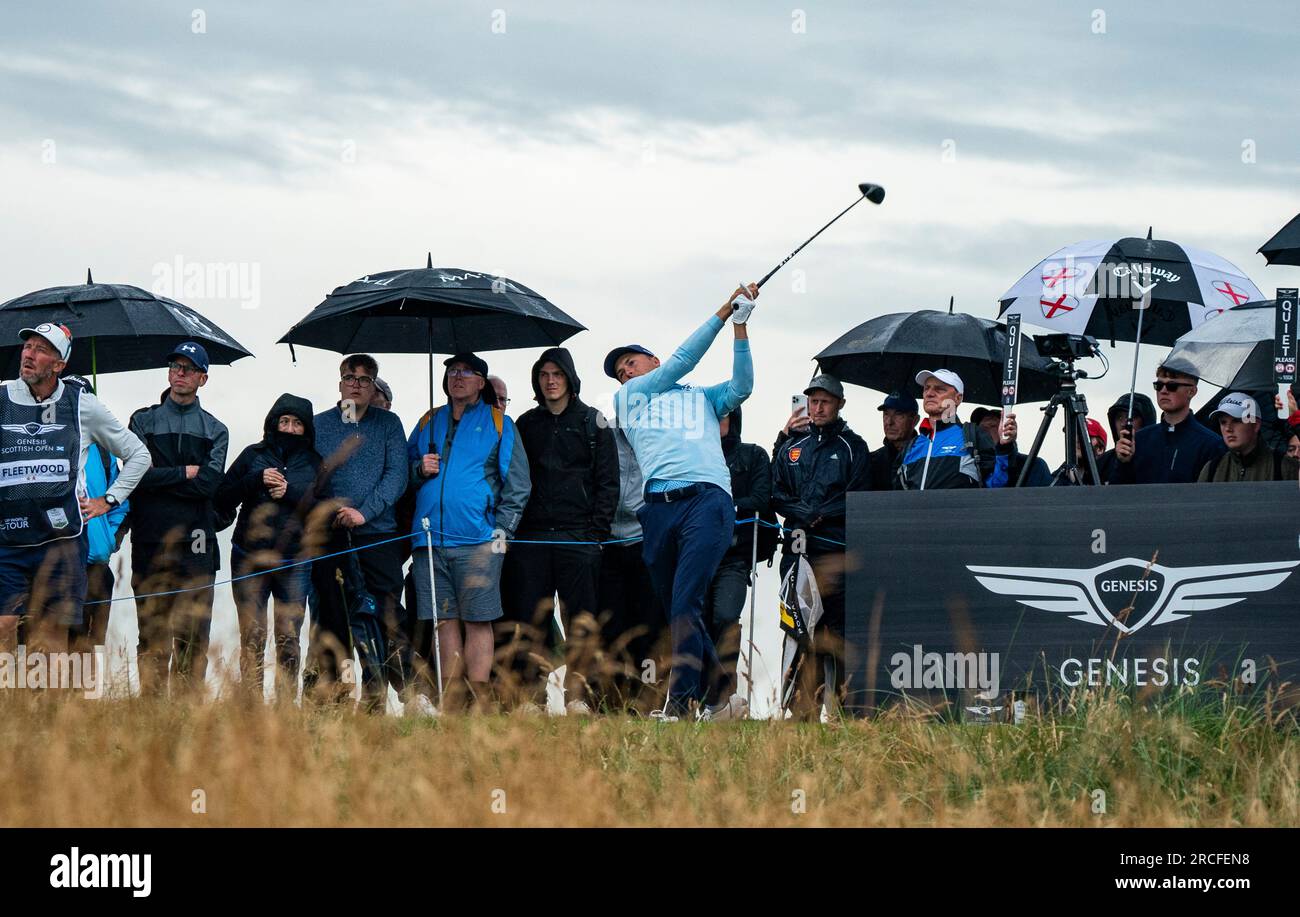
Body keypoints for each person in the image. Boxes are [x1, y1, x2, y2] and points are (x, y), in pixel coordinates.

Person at [606, 282, 757, 721]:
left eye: (631, 364)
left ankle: (680, 703)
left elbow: (743, 386)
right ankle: (722, 699)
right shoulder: (630, 399)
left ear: (651, 362)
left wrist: (740, 327)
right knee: (679, 606)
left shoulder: (703, 398)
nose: (626, 374)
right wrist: (724, 310)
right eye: (620, 372)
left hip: (706, 500)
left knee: (687, 598)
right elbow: (682, 360)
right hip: (657, 508)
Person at [0, 325, 149, 659]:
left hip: (62, 540)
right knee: (5, 626)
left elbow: (139, 455)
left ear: (58, 364)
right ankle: (10, 703)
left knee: (52, 636)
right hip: (9, 539)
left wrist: (108, 501)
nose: (28, 353)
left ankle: (45, 708)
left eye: (40, 349)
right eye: (27, 346)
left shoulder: (83, 404)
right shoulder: (3, 396)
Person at [408, 353, 531, 711]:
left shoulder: (499, 423)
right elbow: (405, 471)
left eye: (466, 372)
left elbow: (518, 484)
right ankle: (452, 702)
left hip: (479, 540)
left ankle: (479, 702)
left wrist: (502, 530)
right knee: (442, 620)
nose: (456, 377)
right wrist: (419, 468)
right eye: (451, 371)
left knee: (479, 620)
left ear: (481, 382)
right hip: (429, 539)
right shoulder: (429, 421)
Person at [501, 347, 618, 713]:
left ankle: (578, 696)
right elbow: (513, 477)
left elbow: (607, 482)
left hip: (578, 538)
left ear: (569, 378)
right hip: (532, 538)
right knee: (530, 620)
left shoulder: (593, 421)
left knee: (580, 620)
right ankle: (531, 697)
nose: (550, 381)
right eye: (544, 374)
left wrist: (595, 534)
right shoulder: (526, 423)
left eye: (557, 374)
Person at [127, 342, 228, 696]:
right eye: (175, 366)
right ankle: (151, 715)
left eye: (189, 368)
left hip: (197, 548)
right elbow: (137, 477)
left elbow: (208, 484)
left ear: (203, 378)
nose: (180, 373)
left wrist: (162, 478)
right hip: (150, 541)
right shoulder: (143, 420)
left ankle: (188, 715)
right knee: (152, 634)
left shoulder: (217, 429)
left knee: (192, 635)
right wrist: (184, 472)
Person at [311, 354, 410, 705]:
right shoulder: (319, 425)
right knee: (333, 616)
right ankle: (330, 697)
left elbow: (397, 476)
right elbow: (310, 476)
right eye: (350, 377)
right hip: (332, 537)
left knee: (384, 615)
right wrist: (331, 510)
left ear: (373, 386)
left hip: (378, 535)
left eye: (365, 380)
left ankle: (377, 696)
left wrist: (363, 513)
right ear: (340, 383)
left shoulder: (389, 424)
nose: (356, 383)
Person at [770, 374, 869, 718]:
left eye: (825, 400)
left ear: (840, 403)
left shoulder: (852, 445)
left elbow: (858, 495)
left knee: (837, 632)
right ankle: (801, 710)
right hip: (796, 556)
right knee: (798, 629)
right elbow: (775, 491)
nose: (818, 406)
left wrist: (820, 514)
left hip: (835, 552)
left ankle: (842, 708)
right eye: (813, 400)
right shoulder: (792, 446)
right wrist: (801, 512)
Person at [216, 394, 327, 700]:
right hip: (248, 557)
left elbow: (325, 510)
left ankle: (285, 706)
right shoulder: (253, 455)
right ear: (273, 422)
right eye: (284, 421)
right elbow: (222, 496)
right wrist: (256, 480)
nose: (290, 429)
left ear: (306, 429)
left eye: (297, 423)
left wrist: (290, 492)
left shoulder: (316, 463)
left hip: (295, 560)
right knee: (252, 635)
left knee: (288, 636)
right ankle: (251, 705)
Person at [702, 406, 772, 707]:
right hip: (699, 556)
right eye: (711, 417)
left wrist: (722, 505)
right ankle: (697, 696)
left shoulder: (753, 455)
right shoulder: (695, 457)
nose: (717, 422)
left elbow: (761, 498)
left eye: (722, 416)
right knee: (697, 622)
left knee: (726, 617)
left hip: (734, 557)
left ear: (735, 419)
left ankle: (723, 694)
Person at [60, 374, 130, 660]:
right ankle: (50, 704)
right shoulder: (48, 445)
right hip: (59, 561)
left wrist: (110, 538)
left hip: (96, 564)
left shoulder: (104, 452)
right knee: (55, 643)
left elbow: (121, 501)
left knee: (87, 647)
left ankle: (85, 706)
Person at [595, 428, 665, 711]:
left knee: (647, 625)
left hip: (646, 539)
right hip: (608, 540)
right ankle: (612, 698)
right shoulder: (604, 432)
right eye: (622, 380)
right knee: (612, 625)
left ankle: (645, 699)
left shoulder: (662, 431)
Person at [896, 369, 1014, 489]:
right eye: (926, 388)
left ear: (958, 398)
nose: (929, 393)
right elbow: (895, 497)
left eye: (939, 389)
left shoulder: (973, 435)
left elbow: (996, 487)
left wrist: (1005, 447)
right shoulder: (911, 446)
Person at [1109, 367, 1225, 485]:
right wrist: (1123, 463)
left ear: (1192, 391)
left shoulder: (1212, 444)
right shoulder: (1138, 440)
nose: (1163, 390)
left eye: (1172, 386)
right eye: (1158, 385)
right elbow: (1117, 494)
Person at [1195, 393, 1288, 482]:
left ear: (1255, 425)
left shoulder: (1284, 466)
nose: (1228, 428)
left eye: (1236, 420)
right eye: (1223, 422)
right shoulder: (1211, 469)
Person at [972, 406, 1050, 486]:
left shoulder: (1033, 466)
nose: (984, 433)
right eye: (982, 428)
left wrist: (1004, 448)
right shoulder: (969, 465)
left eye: (992, 426)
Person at [1096, 392, 1156, 482]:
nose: (1124, 423)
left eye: (1132, 417)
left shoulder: (1159, 457)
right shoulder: (1104, 462)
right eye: (1119, 417)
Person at [867, 392, 918, 491]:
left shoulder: (927, 458)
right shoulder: (871, 460)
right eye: (886, 414)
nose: (889, 422)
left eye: (898, 414)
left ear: (915, 420)